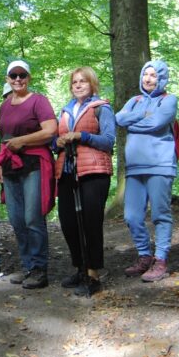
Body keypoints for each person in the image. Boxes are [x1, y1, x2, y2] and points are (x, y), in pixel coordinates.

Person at [0, 61, 57, 289]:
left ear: (28, 77)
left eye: (22, 75)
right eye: (13, 75)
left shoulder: (38, 101)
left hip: (34, 163)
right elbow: (4, 138)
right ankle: (28, 265)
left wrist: (22, 141)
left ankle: (40, 269)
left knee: (32, 217)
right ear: (8, 78)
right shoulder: (4, 106)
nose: (18, 79)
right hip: (11, 166)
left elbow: (51, 130)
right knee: (16, 219)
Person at [54, 67, 114, 296]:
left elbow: (108, 141)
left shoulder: (101, 108)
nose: (78, 85)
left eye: (83, 81)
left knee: (90, 222)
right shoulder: (66, 110)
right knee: (68, 222)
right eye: (75, 82)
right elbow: (56, 140)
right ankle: (79, 267)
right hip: (68, 170)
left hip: (95, 171)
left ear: (92, 84)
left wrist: (82, 136)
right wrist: (56, 143)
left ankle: (93, 274)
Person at [116, 60, 178, 282]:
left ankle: (160, 260)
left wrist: (133, 122)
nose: (148, 79)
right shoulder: (135, 100)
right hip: (134, 168)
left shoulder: (169, 100)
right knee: (131, 216)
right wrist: (142, 117)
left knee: (160, 214)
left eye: (153, 75)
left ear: (161, 78)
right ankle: (144, 255)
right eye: (145, 75)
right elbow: (119, 118)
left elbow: (157, 123)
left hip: (160, 165)